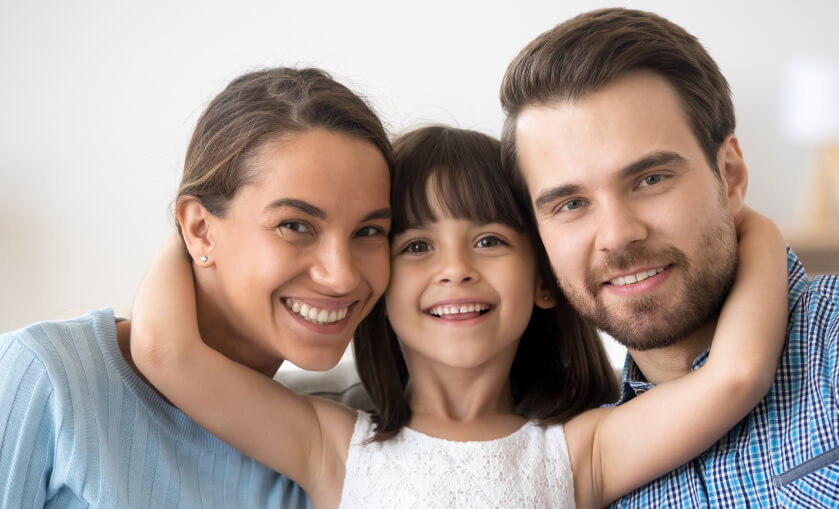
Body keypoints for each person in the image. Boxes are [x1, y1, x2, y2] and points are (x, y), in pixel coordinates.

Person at [130, 125, 788, 508]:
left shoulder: (582, 451)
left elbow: (735, 375)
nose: (455, 268)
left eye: (490, 240)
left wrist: (746, 220)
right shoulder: (329, 445)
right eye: (415, 246)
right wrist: (198, 229)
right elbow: (166, 351)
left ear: (546, 282)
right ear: (378, 282)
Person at [0, 66, 393, 508]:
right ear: (200, 230)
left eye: (369, 232)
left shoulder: (325, 445)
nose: (341, 276)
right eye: (295, 225)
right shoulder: (43, 376)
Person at [499, 7, 839, 508]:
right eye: (570, 204)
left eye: (650, 179)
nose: (617, 236)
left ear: (731, 175)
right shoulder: (573, 470)